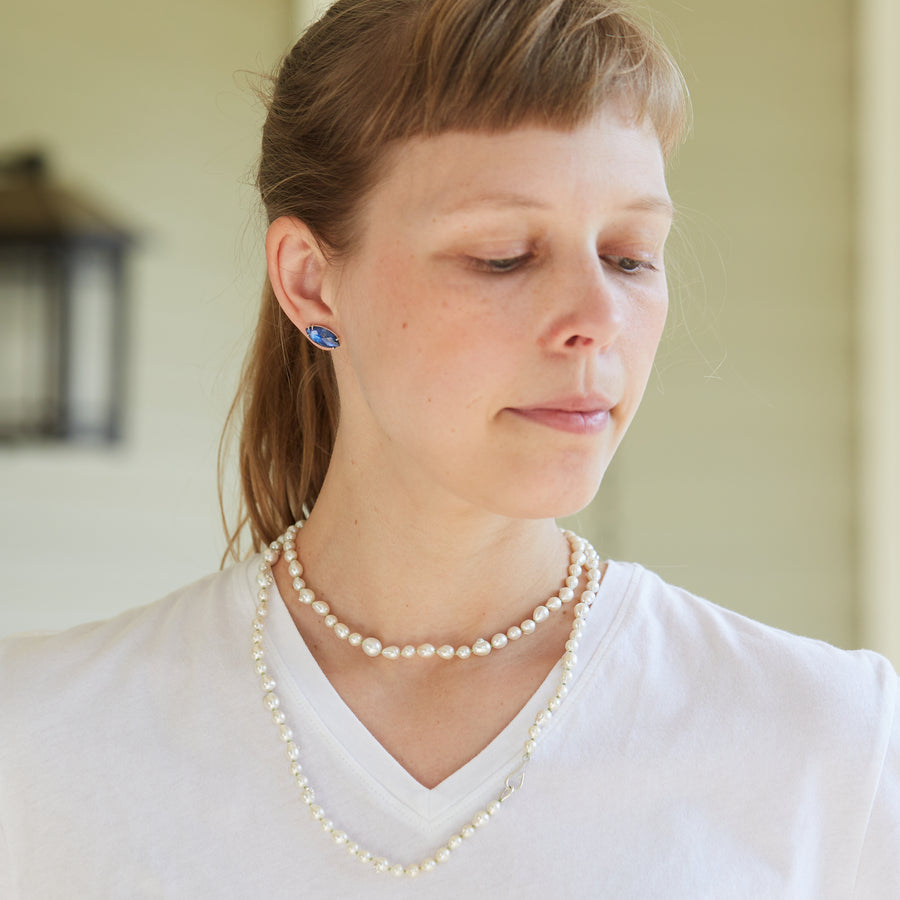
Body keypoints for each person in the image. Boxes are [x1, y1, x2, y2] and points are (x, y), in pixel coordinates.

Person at [1, 0, 897, 895]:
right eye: (504, 255)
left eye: (629, 255)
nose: (597, 320)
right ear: (311, 282)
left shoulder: (832, 741)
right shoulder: (37, 742)